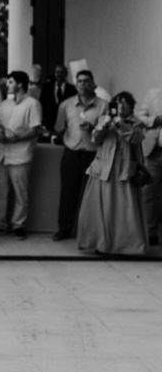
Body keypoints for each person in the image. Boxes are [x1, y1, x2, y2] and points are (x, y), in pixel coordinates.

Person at [77, 92, 148, 255]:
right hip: (103, 168)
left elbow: (136, 139)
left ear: (132, 107)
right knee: (101, 207)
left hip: (124, 170)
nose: (121, 107)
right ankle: (101, 244)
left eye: (125, 104)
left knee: (125, 209)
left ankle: (127, 246)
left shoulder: (136, 122)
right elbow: (95, 140)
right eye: (118, 104)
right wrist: (103, 126)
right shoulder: (104, 119)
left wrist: (120, 126)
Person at [52, 70, 108, 241]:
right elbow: (59, 128)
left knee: (91, 195)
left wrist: (92, 129)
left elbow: (107, 133)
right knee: (68, 193)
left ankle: (89, 233)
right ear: (75, 84)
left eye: (86, 81)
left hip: (93, 154)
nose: (82, 85)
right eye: (79, 81)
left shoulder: (103, 105)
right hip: (72, 153)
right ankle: (64, 229)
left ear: (93, 83)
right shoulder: (66, 105)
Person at [0, 71, 42, 240]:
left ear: (20, 84)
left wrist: (16, 138)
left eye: (11, 82)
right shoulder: (5, 103)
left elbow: (35, 130)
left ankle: (18, 225)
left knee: (21, 191)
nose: (7, 84)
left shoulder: (32, 104)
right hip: (1, 153)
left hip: (20, 154)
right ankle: (0, 223)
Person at [138, 87, 162, 246]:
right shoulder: (153, 93)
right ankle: (150, 233)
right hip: (154, 151)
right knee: (149, 193)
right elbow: (140, 117)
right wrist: (155, 120)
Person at [39, 64, 77, 132]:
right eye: (57, 72)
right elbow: (42, 103)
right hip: (49, 121)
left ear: (66, 74)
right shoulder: (46, 87)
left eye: (61, 72)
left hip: (65, 121)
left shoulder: (72, 89)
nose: (59, 74)